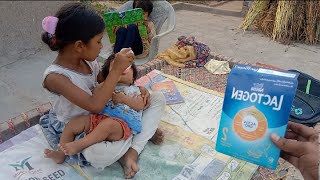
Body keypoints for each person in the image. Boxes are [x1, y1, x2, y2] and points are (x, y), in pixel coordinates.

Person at [39, 2, 165, 178]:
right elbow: (94, 105)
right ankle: (139, 137)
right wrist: (115, 71)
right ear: (79, 46)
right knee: (96, 154)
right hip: (82, 128)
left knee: (157, 98)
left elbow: (105, 82)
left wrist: (135, 86)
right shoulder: (55, 77)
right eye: (98, 41)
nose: (101, 46)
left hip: (107, 113)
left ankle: (131, 147)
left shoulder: (88, 61)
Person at [58, 54, 145, 156]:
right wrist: (112, 78)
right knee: (73, 124)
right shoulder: (106, 86)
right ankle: (60, 153)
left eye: (125, 68)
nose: (121, 70)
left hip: (120, 125)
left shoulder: (135, 90)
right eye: (115, 67)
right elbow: (95, 94)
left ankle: (80, 144)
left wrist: (123, 99)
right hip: (98, 118)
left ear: (133, 78)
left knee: (108, 125)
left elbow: (140, 105)